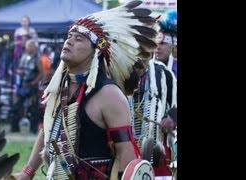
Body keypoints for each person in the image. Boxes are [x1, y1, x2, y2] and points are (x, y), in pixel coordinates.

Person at [15, 1, 159, 179]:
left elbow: (126, 153)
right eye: (69, 36)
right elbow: (48, 128)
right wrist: (27, 172)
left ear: (95, 51)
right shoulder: (61, 87)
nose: (69, 41)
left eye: (79, 39)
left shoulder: (109, 94)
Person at [127, 10, 177, 176]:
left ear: (173, 45)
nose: (158, 48)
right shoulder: (125, 72)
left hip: (161, 144)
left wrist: (173, 117)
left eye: (163, 43)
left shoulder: (167, 75)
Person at [155, 10, 177, 77]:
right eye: (157, 42)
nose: (157, 47)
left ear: (174, 47)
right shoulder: (146, 68)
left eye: (163, 43)